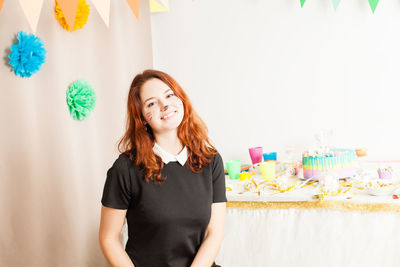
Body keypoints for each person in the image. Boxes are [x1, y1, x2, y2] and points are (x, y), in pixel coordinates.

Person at [99, 69, 227, 267]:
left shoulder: (211, 161)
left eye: (169, 95)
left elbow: (214, 233)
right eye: (152, 103)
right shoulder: (125, 169)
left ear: (181, 99)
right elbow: (108, 239)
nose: (165, 105)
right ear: (141, 117)